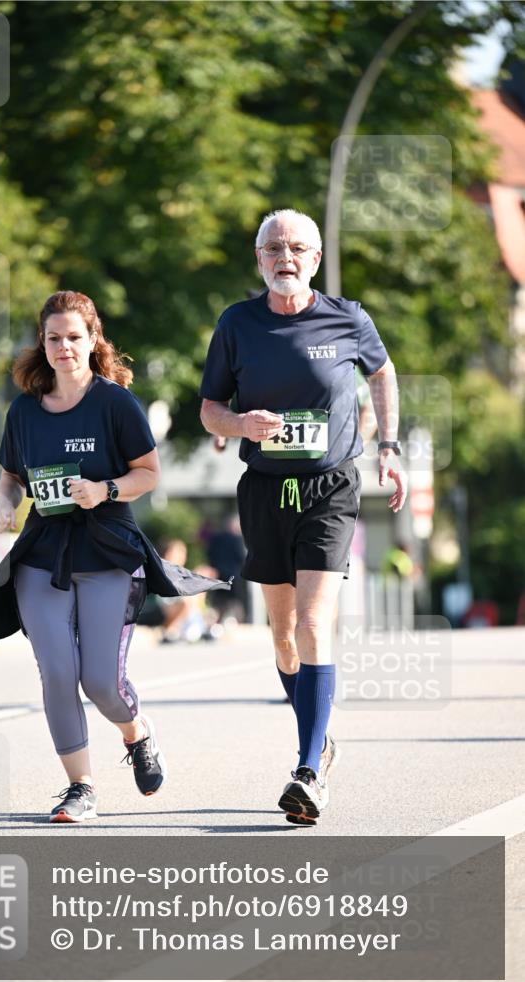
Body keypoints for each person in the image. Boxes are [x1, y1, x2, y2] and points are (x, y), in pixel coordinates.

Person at [0, 290, 229, 824]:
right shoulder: (24, 411)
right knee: (56, 672)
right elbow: (10, 477)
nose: (63, 346)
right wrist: (4, 505)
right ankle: (80, 788)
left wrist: (105, 490)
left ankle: (137, 734)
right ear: (41, 343)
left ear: (93, 341)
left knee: (101, 683)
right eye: (53, 337)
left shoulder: (115, 403)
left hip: (108, 551)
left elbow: (148, 473)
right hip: (42, 554)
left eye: (73, 336)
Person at [199, 209, 407, 825]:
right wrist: (239, 424)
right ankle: (319, 740)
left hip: (330, 488)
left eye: (296, 248)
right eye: (272, 248)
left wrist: (388, 448)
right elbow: (210, 409)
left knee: (315, 623)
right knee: (283, 633)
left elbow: (383, 373)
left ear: (314, 259)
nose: (283, 257)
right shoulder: (237, 324)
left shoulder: (349, 318)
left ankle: (308, 767)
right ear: (258, 259)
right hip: (264, 490)